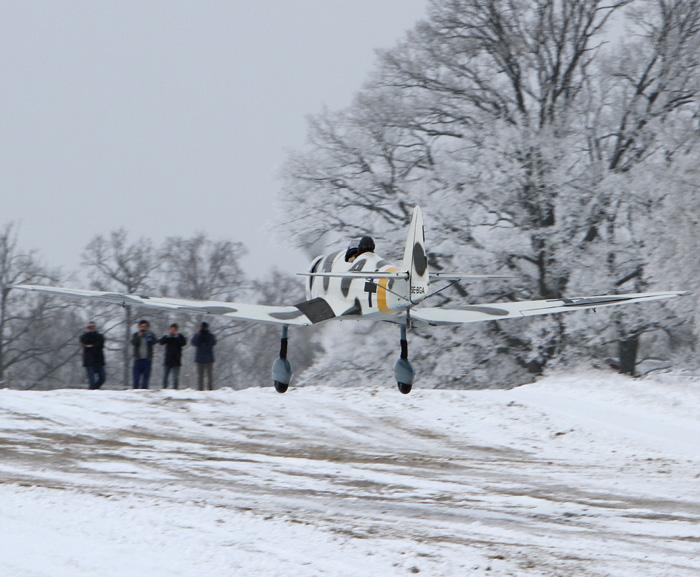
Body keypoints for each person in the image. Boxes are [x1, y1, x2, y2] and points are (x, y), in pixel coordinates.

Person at [159, 323, 186, 390]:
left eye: (174, 330)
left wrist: (177, 336)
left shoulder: (180, 336)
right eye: (171, 329)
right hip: (168, 360)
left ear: (177, 330)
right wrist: (167, 336)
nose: (173, 331)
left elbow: (184, 343)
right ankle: (164, 389)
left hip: (176, 360)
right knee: (165, 376)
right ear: (169, 329)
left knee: (175, 377)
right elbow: (161, 342)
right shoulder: (167, 336)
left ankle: (175, 390)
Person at [191, 321, 217, 391]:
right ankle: (202, 389)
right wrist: (199, 335)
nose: (203, 328)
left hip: (205, 358)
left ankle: (207, 389)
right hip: (204, 358)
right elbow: (193, 342)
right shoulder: (198, 335)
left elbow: (214, 342)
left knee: (207, 376)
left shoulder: (210, 335)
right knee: (203, 376)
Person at [131, 319, 157, 389]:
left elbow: (155, 342)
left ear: (147, 327)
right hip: (138, 360)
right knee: (136, 379)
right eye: (141, 326)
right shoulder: (135, 335)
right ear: (139, 327)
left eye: (145, 326)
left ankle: (144, 394)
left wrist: (149, 335)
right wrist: (139, 336)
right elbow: (133, 343)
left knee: (145, 380)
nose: (143, 328)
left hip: (147, 360)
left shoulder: (150, 334)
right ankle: (135, 393)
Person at [80, 321, 106, 389]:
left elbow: (100, 345)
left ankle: (94, 389)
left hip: (99, 360)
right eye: (89, 327)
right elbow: (84, 342)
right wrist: (93, 344)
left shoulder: (100, 336)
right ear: (87, 328)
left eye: (92, 327)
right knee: (92, 380)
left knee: (102, 378)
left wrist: (91, 345)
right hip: (89, 360)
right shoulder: (83, 336)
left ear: (95, 327)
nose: (91, 328)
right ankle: (92, 390)